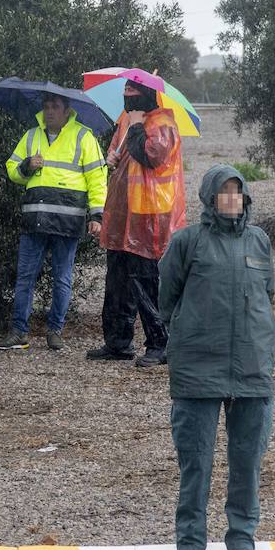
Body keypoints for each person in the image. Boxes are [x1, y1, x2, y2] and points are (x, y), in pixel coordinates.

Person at [155, 165, 275, 550]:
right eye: (223, 192)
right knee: (196, 465)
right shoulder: (187, 242)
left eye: (237, 192)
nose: (231, 199)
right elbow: (166, 297)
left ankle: (242, 549)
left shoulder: (259, 241)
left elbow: (268, 295)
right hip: (197, 372)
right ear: (209, 197)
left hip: (252, 371)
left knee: (247, 464)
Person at [0, 93, 107, 351]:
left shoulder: (83, 136)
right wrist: (26, 166)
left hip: (67, 221)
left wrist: (97, 215)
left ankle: (55, 330)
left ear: (67, 110)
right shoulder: (32, 135)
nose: (49, 111)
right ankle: (19, 332)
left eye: (55, 107)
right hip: (35, 218)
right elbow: (12, 170)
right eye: (46, 107)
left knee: (62, 278)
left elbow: (97, 179)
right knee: (25, 276)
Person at [89, 80, 185, 367]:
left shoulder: (163, 123)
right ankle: (117, 342)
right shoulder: (126, 120)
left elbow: (151, 156)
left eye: (132, 96)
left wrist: (136, 127)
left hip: (150, 217)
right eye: (125, 95)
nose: (127, 101)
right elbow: (118, 152)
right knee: (117, 280)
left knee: (146, 282)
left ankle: (160, 343)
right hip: (121, 214)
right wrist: (112, 156)